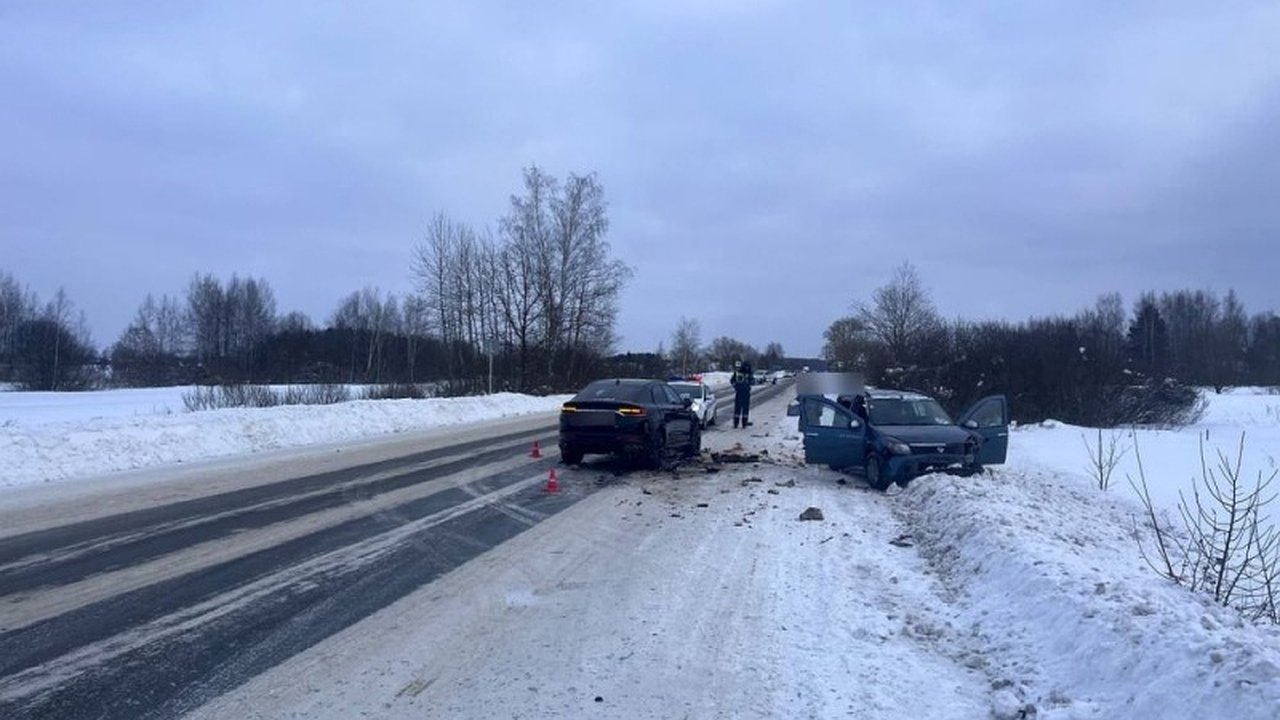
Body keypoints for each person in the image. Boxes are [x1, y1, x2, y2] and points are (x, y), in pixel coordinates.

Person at [730, 359, 753, 428]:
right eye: (746, 367)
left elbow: (752, 381)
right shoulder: (738, 373)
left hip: (746, 393)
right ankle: (736, 423)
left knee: (745, 409)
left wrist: (749, 384)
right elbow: (732, 380)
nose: (747, 368)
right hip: (740, 392)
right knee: (738, 409)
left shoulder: (749, 374)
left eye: (748, 367)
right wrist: (736, 386)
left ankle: (744, 423)